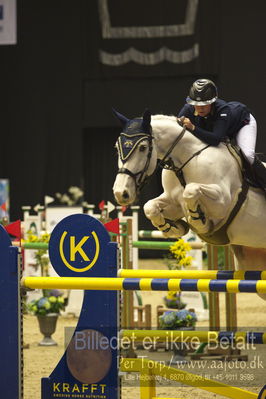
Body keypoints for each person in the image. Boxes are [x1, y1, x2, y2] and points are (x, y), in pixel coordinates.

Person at [177, 78, 266, 192]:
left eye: (205, 104)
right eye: (196, 104)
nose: (200, 108)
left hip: (242, 123)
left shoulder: (223, 109)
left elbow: (215, 139)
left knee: (247, 155)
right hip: (218, 131)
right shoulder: (187, 109)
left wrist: (193, 128)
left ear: (213, 102)